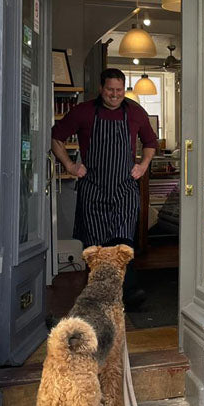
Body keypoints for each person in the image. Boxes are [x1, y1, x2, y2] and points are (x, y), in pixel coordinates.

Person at [51, 68, 157, 308]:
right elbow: (56, 138)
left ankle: (128, 293)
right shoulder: (83, 112)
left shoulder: (135, 112)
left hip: (124, 189)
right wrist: (70, 165)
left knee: (123, 243)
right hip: (94, 188)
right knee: (97, 247)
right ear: (101, 88)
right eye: (110, 89)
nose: (115, 95)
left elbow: (150, 142)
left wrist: (142, 166)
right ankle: (100, 296)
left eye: (119, 90)